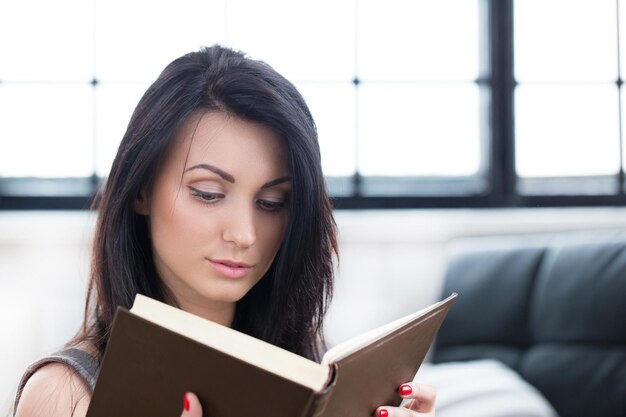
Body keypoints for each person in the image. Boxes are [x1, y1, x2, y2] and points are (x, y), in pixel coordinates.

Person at [11, 45, 436, 417]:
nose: (245, 234)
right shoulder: (65, 394)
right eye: (209, 193)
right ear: (141, 190)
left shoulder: (310, 372)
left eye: (272, 203)